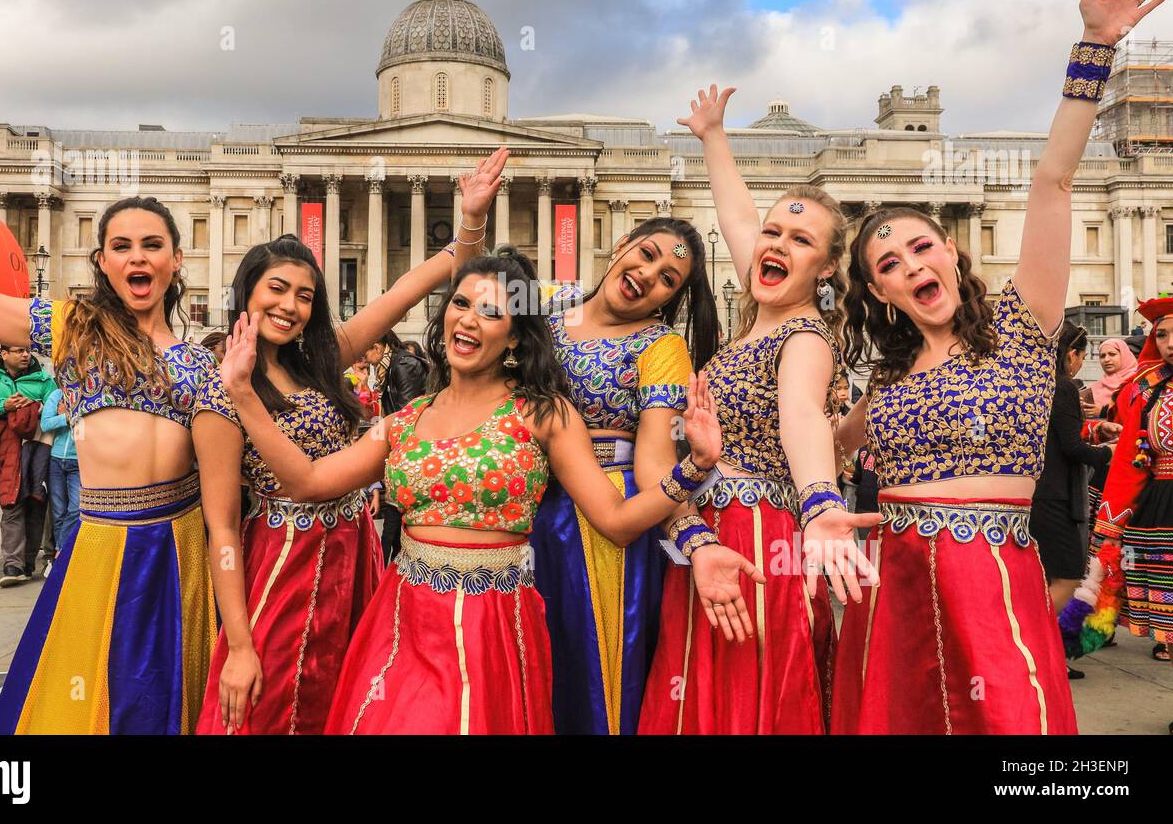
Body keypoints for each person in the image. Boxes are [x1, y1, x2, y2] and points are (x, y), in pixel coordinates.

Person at [833, 0, 1166, 735]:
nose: (911, 264)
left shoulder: (1022, 324)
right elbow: (826, 453)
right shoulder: (887, 376)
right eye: (888, 264)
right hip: (896, 584)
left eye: (921, 247)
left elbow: (1051, 182)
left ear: (952, 252)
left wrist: (1095, 49)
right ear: (879, 291)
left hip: (993, 580)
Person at [218, 248, 745, 734]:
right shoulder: (406, 419)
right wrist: (242, 393)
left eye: (491, 313)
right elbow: (306, 481)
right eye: (460, 304)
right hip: (401, 620)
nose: (468, 319)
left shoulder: (543, 413)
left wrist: (695, 467)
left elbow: (617, 522)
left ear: (515, 337)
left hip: (493, 626)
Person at [0, 130, 219, 734]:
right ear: (102, 262)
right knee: (84, 692)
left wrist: (456, 246)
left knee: (170, 695)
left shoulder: (203, 361)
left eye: (152, 245)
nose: (137, 257)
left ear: (176, 261)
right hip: (100, 538)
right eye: (121, 246)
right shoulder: (72, 329)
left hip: (180, 545)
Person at [194, 147, 499, 736]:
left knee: (352, 702)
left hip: (353, 554)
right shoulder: (222, 387)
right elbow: (223, 527)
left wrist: (472, 220)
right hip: (278, 562)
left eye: (304, 296)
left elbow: (414, 286)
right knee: (270, 702)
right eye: (276, 290)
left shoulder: (325, 358)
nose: (289, 306)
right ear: (247, 293)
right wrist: (237, 643)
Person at [639, 86, 877, 736]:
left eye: (801, 239)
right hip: (703, 529)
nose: (776, 242)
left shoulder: (803, 338)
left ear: (826, 269)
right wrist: (713, 135)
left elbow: (801, 416)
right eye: (773, 232)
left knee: (746, 698)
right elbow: (739, 216)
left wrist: (823, 504)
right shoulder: (764, 312)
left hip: (755, 535)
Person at [535, 216, 741, 736]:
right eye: (647, 255)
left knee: (594, 679)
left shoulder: (661, 346)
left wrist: (695, 541)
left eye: (669, 278)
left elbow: (653, 461)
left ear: (668, 298)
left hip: (604, 531)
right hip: (525, 514)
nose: (650, 274)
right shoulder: (544, 316)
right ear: (622, 244)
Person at [1088, 295, 1173, 732]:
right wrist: (1112, 526)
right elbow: (1129, 459)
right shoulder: (1150, 393)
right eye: (1162, 335)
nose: (1170, 343)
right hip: (1160, 511)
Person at [1031, 324, 1115, 680]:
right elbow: (1071, 447)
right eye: (1084, 356)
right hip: (1056, 494)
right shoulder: (1062, 385)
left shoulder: (1035, 384)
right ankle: (1036, 651)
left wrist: (1095, 431)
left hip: (1038, 492)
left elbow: (1059, 436)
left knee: (1045, 576)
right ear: (1072, 355)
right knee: (1066, 576)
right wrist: (1108, 454)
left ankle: (1039, 652)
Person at [0, 344, 58, 585]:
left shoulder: (43, 377)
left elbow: (56, 402)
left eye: (27, 351)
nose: (26, 355)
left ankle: (28, 563)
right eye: (19, 351)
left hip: (37, 447)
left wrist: (36, 407)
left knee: (35, 502)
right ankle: (13, 565)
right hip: (4, 450)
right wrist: (4, 405)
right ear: (4, 354)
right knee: (11, 503)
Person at [366, 329, 431, 565]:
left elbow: (407, 416)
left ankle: (386, 575)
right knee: (392, 527)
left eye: (365, 351)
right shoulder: (389, 366)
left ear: (377, 346)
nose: (363, 359)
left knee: (394, 527)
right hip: (398, 454)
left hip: (409, 457)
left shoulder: (403, 364)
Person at [40, 387, 80, 554]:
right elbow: (45, 423)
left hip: (79, 461)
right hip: (56, 460)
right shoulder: (57, 395)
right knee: (58, 511)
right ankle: (62, 553)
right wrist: (66, 417)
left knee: (77, 507)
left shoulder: (91, 393)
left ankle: (61, 549)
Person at [1083, 337, 1139, 420]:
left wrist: (1102, 412)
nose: (1106, 359)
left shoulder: (1139, 381)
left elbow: (1136, 412)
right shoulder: (1095, 387)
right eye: (1102, 356)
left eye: (1112, 354)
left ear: (1124, 355)